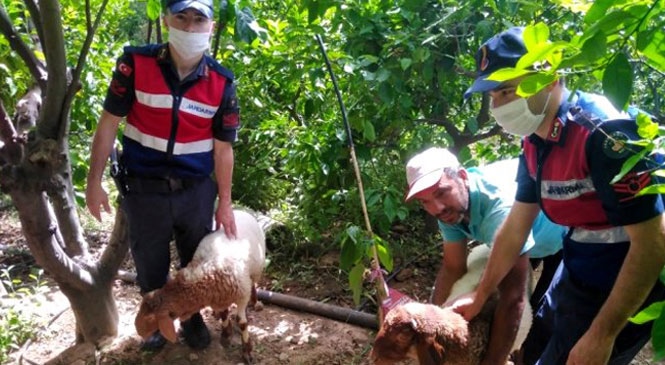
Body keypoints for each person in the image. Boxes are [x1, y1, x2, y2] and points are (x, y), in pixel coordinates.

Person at [453, 25, 665, 365]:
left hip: (623, 286)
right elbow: (515, 226)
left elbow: (653, 242)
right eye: (492, 97)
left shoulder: (603, 135)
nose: (498, 106)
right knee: (534, 351)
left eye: (506, 91)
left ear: (549, 77)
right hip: (577, 270)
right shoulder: (536, 140)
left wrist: (602, 334)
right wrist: (479, 296)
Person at [85, 0, 240, 351]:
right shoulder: (136, 64)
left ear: (210, 27)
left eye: (198, 19)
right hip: (144, 188)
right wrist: (93, 182)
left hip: (196, 192)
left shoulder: (221, 82)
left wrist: (225, 204)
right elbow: (109, 122)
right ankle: (156, 320)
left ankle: (190, 318)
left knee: (195, 263)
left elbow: (223, 149)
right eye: (181, 17)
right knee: (149, 261)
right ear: (166, 19)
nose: (188, 27)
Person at [405, 147, 565, 364]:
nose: (437, 208)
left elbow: (513, 298)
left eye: (441, 192)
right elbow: (453, 267)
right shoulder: (450, 211)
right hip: (525, 236)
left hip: (562, 233)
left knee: (545, 316)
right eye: (425, 202)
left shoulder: (497, 207)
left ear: (462, 176)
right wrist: (433, 324)